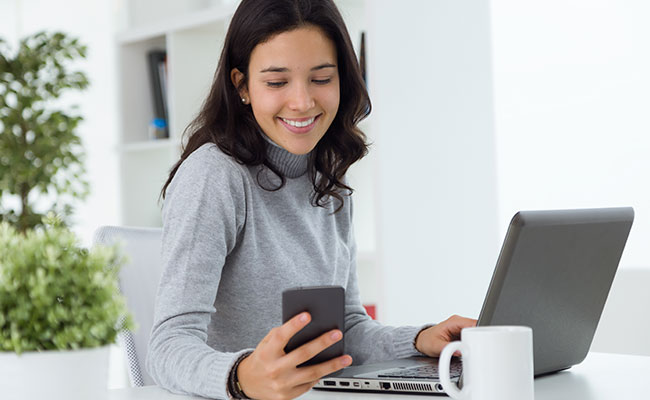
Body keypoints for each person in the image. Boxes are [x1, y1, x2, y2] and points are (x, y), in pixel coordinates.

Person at [146, 0, 476, 399]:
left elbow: (347, 329)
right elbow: (167, 347)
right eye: (276, 82)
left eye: (321, 78)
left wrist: (420, 339)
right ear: (242, 86)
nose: (302, 102)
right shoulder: (214, 176)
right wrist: (240, 377)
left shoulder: (328, 180)